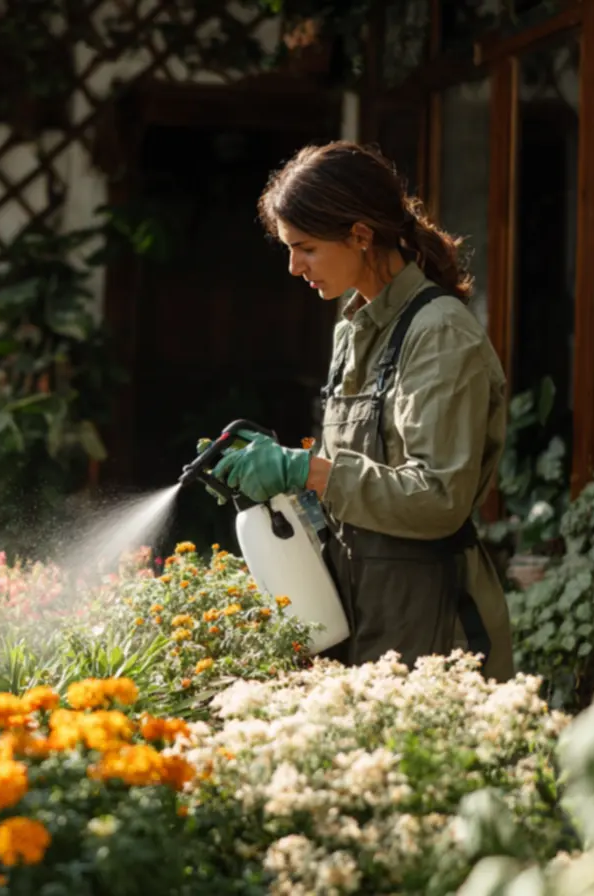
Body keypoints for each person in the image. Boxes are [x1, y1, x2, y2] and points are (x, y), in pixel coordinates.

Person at [205, 140, 513, 680]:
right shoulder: (353, 328)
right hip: (357, 605)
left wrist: (306, 469)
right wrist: (274, 480)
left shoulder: (437, 333)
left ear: (361, 235)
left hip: (432, 623)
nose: (294, 267)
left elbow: (439, 497)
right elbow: (347, 480)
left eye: (305, 248)